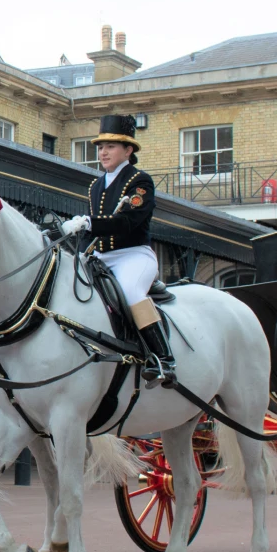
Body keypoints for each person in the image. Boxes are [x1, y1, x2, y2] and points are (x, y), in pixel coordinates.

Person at [59, 114, 174, 386]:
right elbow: (95, 229)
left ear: (128, 150)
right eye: (100, 147)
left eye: (110, 146)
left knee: (131, 292)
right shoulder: (96, 185)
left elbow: (129, 222)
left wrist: (89, 222)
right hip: (101, 257)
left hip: (133, 255)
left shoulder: (140, 181)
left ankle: (164, 359)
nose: (103, 152)